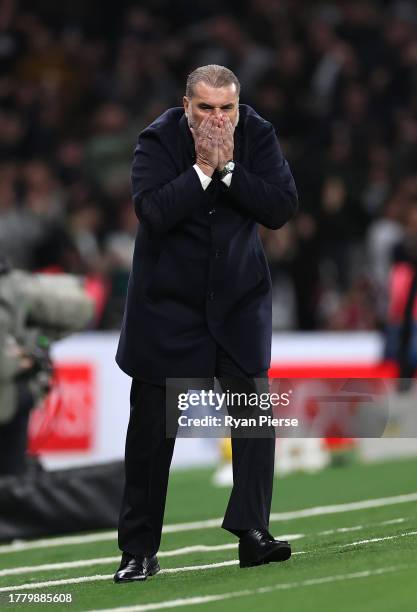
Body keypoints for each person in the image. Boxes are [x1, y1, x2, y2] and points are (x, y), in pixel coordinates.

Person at [114, 64, 298, 582]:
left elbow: (282, 206)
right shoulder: (157, 139)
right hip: (168, 310)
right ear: (186, 105)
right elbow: (152, 211)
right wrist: (202, 171)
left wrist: (233, 171)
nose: (217, 119)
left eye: (227, 109)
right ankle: (139, 549)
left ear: (239, 108)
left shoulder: (257, 135)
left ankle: (253, 533)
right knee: (151, 436)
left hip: (236, 305)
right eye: (206, 109)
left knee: (253, 418)